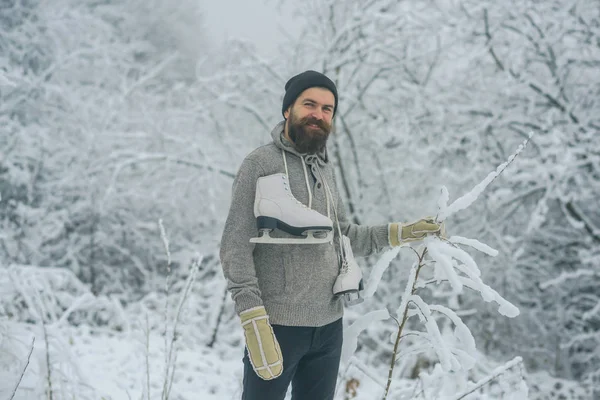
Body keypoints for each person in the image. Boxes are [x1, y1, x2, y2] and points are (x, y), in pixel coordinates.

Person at [219, 70, 443, 400]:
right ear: (287, 110)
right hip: (277, 326)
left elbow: (342, 236)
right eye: (309, 104)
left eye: (327, 109)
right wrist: (253, 317)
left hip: (328, 327)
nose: (319, 114)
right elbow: (235, 245)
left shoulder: (324, 167)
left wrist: (400, 232)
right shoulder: (260, 163)